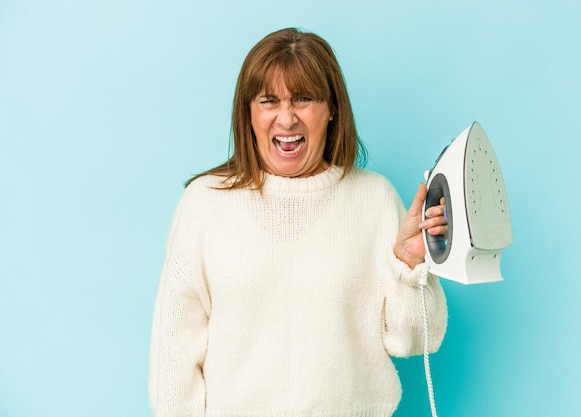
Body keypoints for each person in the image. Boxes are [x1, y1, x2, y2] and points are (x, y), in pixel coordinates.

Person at [149, 27, 448, 417]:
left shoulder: (374, 198)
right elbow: (173, 355)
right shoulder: (206, 203)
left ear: (331, 109)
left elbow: (415, 341)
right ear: (249, 112)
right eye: (268, 100)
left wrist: (410, 264)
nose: (286, 118)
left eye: (303, 99)